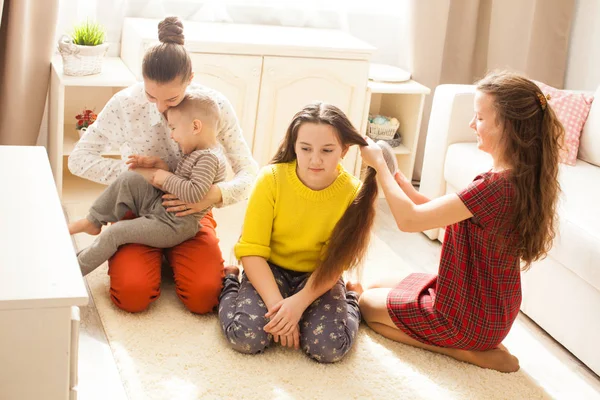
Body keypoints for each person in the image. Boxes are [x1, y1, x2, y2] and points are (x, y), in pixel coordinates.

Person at [349, 71, 563, 373]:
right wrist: (395, 174)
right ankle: (473, 342)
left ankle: (468, 352)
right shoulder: (517, 177)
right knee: (375, 285)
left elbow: (409, 220)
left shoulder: (495, 187)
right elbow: (427, 208)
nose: (471, 125)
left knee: (368, 306)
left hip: (467, 317)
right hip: (484, 304)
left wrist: (380, 168)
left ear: (507, 127)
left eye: (479, 118)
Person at [68, 16, 258, 314]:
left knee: (205, 297)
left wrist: (215, 195)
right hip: (138, 208)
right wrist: (144, 176)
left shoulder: (213, 107)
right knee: (131, 296)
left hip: (189, 215)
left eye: (171, 97)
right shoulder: (124, 104)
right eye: (150, 95)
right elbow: (79, 160)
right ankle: (147, 251)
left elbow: (249, 172)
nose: (160, 107)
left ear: (190, 79)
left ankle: (171, 255)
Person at [218, 102, 391, 363]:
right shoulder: (271, 179)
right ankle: (230, 282)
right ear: (294, 145)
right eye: (306, 149)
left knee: (329, 348)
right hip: (270, 268)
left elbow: (335, 263)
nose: (315, 159)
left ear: (344, 150)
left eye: (327, 150)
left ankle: (353, 297)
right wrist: (280, 310)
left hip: (320, 275)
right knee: (246, 338)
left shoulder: (353, 195)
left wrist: (297, 305)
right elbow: (252, 251)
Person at [69, 92, 227, 277]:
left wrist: (165, 178)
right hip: (163, 206)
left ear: (195, 126)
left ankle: (71, 274)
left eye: (174, 128)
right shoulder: (199, 151)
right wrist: (163, 168)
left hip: (173, 225)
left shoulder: (208, 158)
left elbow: (195, 193)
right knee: (131, 178)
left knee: (116, 233)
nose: (172, 136)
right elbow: (185, 181)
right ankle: (93, 221)